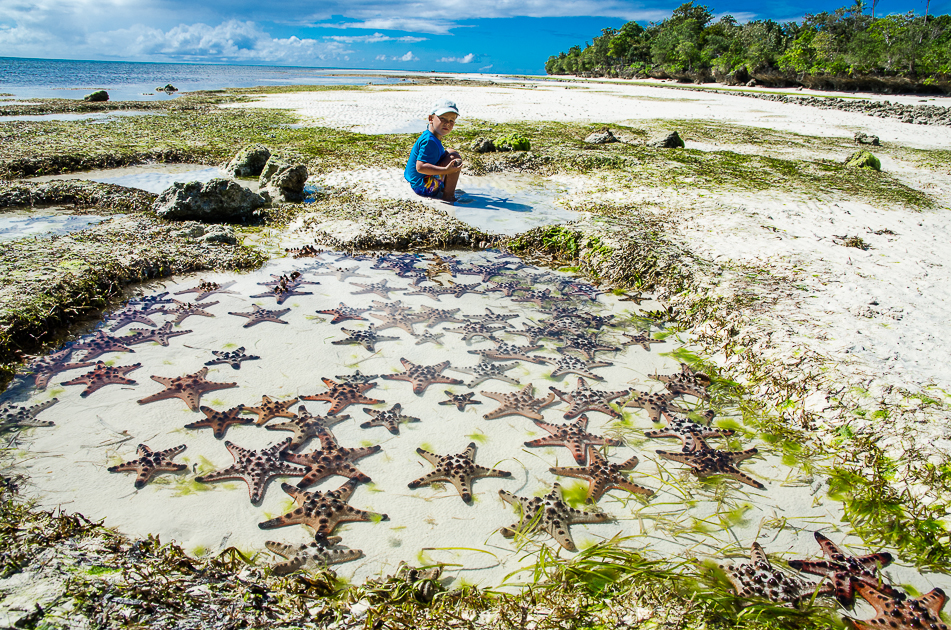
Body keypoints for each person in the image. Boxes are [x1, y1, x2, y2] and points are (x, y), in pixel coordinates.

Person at [405, 99, 463, 202]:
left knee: (450, 151)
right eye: (443, 118)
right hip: (423, 187)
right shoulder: (429, 141)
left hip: (418, 183)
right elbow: (420, 167)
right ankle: (448, 196)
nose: (447, 123)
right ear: (430, 118)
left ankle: (444, 189)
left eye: (451, 120)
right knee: (455, 160)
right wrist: (446, 170)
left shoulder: (432, 137)